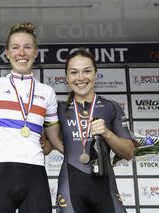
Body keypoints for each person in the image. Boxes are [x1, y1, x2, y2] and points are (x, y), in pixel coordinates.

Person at [0, 22, 62, 213]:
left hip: (35, 173)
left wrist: (50, 146)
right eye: (15, 47)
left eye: (27, 47)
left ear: (35, 52)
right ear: (7, 53)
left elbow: (53, 140)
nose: (22, 53)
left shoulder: (47, 92)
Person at [54, 48, 135, 213]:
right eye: (74, 72)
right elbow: (47, 145)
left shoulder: (111, 107)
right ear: (67, 78)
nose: (81, 78)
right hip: (71, 187)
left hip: (105, 187)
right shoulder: (59, 109)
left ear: (96, 74)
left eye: (87, 71)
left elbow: (129, 152)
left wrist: (107, 133)